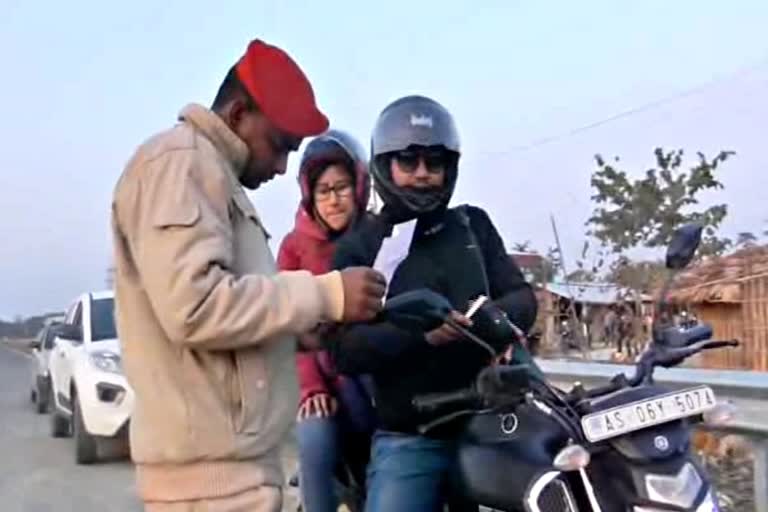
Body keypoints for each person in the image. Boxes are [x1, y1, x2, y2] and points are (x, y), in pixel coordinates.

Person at [110, 39, 386, 512]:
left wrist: (299, 334)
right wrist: (325, 295)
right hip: (209, 487)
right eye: (280, 146)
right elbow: (193, 308)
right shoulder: (181, 164)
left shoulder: (207, 172)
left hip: (235, 476)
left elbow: (223, 324)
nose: (282, 167)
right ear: (239, 115)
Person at [326, 95, 539, 511]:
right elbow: (345, 351)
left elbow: (522, 298)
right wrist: (420, 335)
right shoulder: (361, 247)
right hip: (411, 435)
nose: (423, 174)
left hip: (495, 423)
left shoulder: (471, 225)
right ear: (386, 165)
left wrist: (486, 320)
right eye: (409, 161)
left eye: (434, 162)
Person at [277, 129, 373, 512]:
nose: (333, 199)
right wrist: (312, 388)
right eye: (323, 190)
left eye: (342, 187)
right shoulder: (294, 247)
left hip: (377, 377)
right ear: (309, 196)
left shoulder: (379, 234)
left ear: (360, 187)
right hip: (326, 383)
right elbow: (285, 324)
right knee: (314, 438)